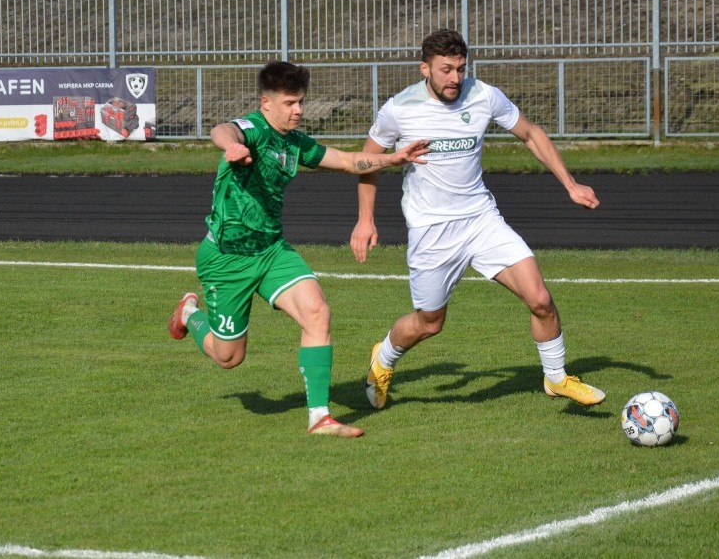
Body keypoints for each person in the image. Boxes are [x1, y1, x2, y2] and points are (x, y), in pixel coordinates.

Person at [169, 61, 428, 438]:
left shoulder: (294, 143)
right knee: (228, 358)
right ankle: (189, 313)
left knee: (317, 311)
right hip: (227, 259)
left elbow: (342, 160)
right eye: (290, 102)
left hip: (272, 250)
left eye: (301, 102)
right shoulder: (252, 130)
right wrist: (232, 147)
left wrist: (393, 157)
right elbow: (221, 129)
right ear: (267, 103)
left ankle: (320, 417)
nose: (298, 110)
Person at [349, 29, 606, 410]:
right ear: (425, 69)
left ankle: (556, 378)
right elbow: (368, 163)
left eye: (460, 69)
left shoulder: (483, 95)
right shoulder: (400, 109)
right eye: (446, 69)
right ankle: (382, 360)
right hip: (432, 230)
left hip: (481, 219)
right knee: (429, 323)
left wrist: (569, 184)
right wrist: (365, 220)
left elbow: (531, 134)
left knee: (540, 299)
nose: (455, 78)